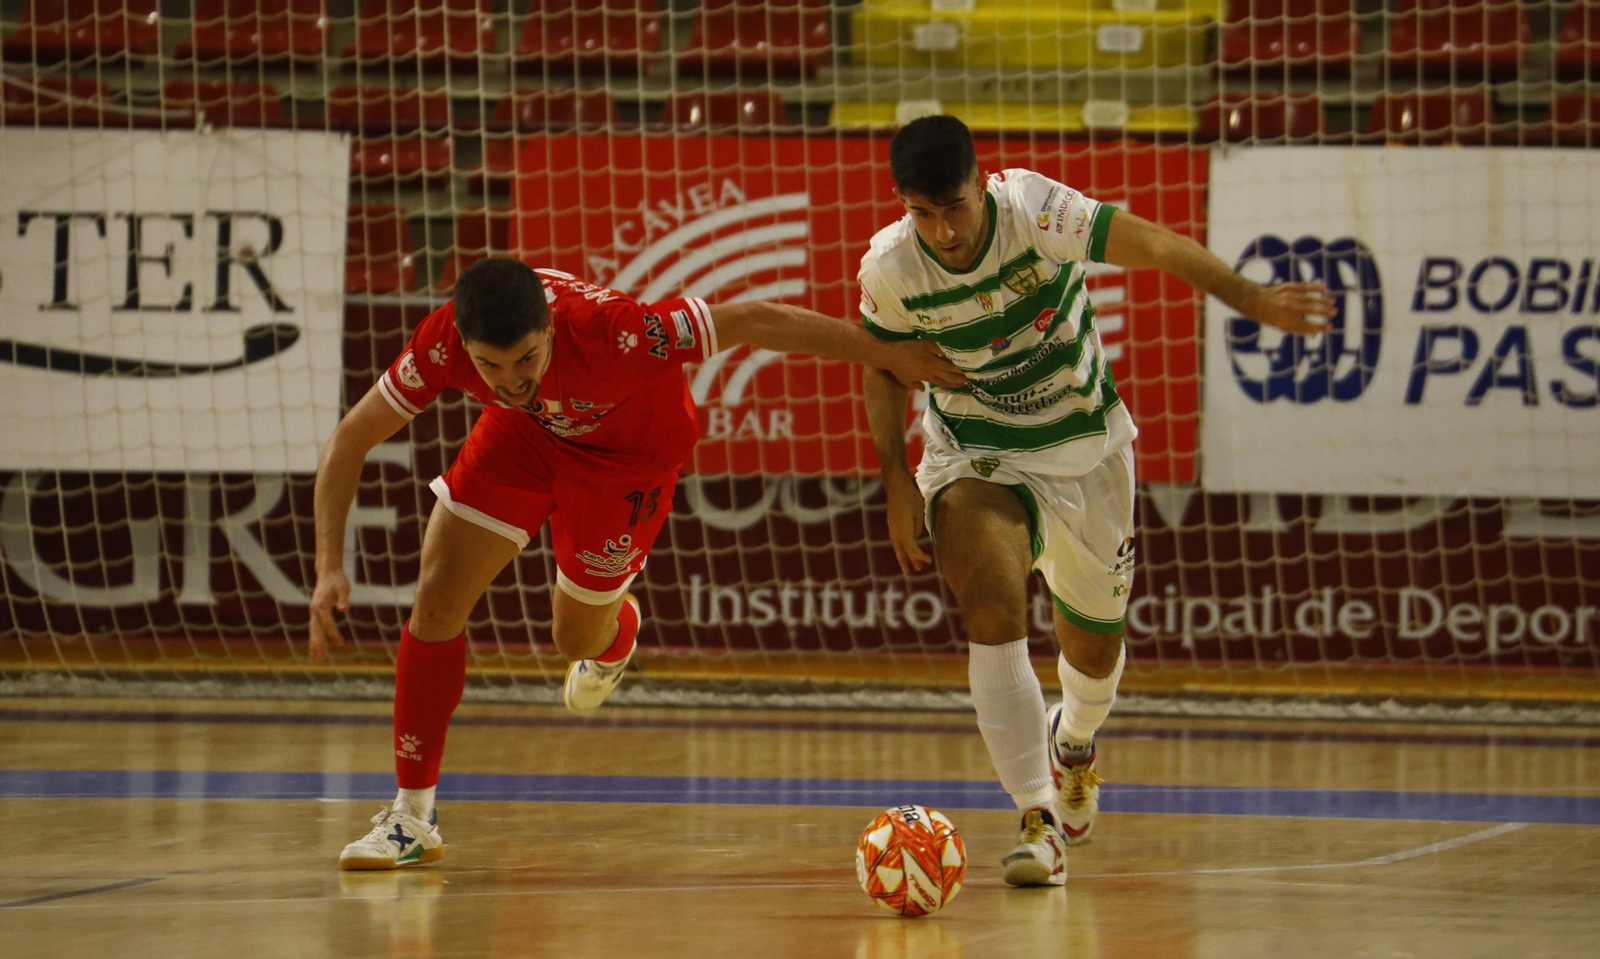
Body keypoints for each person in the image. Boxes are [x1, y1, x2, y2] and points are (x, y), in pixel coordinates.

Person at [310, 258, 963, 870]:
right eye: (490, 367)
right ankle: (412, 817)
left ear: (549, 327)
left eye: (526, 359)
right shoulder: (443, 344)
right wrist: (328, 567)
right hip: (525, 437)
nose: (509, 380)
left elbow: (753, 319)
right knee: (435, 599)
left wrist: (887, 353)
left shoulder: (614, 334)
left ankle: (618, 632)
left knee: (574, 638)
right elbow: (351, 438)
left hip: (630, 460)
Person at [858, 116, 1335, 886]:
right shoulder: (889, 269)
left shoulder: (1036, 211)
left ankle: (1073, 742)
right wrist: (892, 478)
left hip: (1086, 452)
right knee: (990, 604)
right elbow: (880, 365)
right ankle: (1037, 820)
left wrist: (1250, 297)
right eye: (921, 211)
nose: (942, 230)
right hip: (977, 452)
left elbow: (1154, 244)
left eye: (953, 205)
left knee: (1095, 654)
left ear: (982, 184)